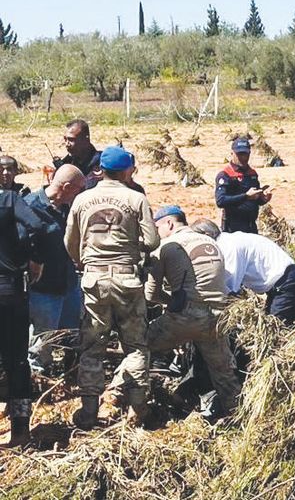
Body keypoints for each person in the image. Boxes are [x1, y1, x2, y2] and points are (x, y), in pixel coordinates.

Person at [110, 206, 241, 417]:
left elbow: (151, 294)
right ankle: (238, 415)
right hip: (218, 318)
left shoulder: (166, 246)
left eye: (157, 226)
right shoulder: (211, 243)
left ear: (169, 223)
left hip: (187, 317)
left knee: (140, 347)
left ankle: (115, 398)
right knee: (224, 374)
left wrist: (172, 302)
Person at [64, 146, 160, 429]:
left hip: (94, 280)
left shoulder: (82, 199)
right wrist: (131, 246)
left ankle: (90, 412)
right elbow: (152, 240)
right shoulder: (136, 198)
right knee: (135, 347)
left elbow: (70, 241)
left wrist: (84, 260)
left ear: (101, 170)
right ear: (126, 170)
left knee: (93, 347)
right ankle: (138, 411)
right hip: (127, 280)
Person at [24, 165, 86, 374]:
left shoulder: (67, 207)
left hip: (68, 284)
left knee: (73, 334)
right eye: (77, 189)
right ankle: (39, 381)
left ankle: (71, 373)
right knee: (43, 341)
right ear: (67, 187)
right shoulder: (30, 206)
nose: (79, 194)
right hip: (43, 290)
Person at [0, 188, 48, 447]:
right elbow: (38, 226)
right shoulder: (8, 199)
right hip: (10, 291)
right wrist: (35, 260)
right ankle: (20, 431)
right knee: (17, 361)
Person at [191, 219, 295, 324]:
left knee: (276, 327)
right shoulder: (228, 240)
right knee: (269, 322)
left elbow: (230, 287)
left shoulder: (228, 247)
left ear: (206, 235)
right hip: (282, 282)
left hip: (286, 282)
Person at [215, 138, 272, 234]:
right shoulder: (225, 175)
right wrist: (245, 196)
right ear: (232, 153)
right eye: (239, 154)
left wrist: (263, 199)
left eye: (245, 154)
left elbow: (255, 200)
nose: (243, 158)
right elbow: (221, 201)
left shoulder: (252, 174)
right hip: (232, 227)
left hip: (251, 226)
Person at [55, 119, 102, 190]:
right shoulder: (67, 163)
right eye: (65, 139)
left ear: (86, 139)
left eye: (71, 139)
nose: (67, 144)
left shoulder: (101, 163)